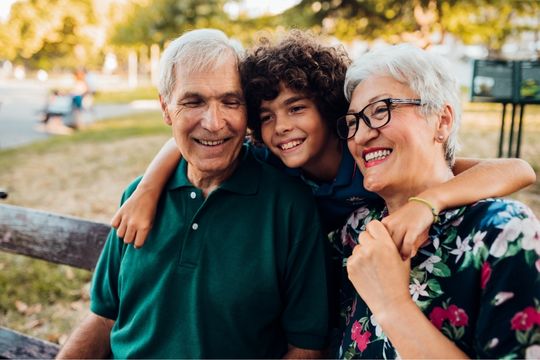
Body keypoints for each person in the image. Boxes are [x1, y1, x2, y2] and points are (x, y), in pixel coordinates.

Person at [111, 30, 535, 259]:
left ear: (329, 109)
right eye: (266, 116)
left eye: (297, 109)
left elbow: (517, 169)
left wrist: (430, 201)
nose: (282, 128)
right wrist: (148, 189)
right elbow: (195, 140)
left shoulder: (369, 159)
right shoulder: (271, 161)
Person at [56, 29, 329, 359]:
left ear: (248, 112)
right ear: (166, 108)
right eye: (193, 101)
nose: (214, 123)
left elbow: (307, 347)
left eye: (231, 102)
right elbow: (103, 316)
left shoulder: (289, 207)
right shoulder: (140, 196)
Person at [337, 44, 540, 358]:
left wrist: (393, 305)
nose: (362, 136)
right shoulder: (355, 228)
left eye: (380, 110)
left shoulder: (502, 231)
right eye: (353, 122)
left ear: (442, 121)